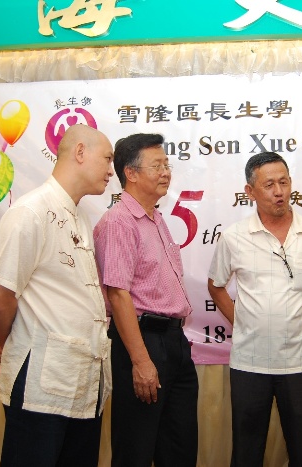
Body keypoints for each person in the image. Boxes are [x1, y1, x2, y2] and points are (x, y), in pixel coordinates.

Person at [0, 124, 114, 467]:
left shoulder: (80, 215)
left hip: (81, 382)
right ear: (80, 152)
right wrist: (11, 342)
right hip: (41, 385)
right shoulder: (30, 212)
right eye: (107, 159)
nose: (111, 170)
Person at [208, 152, 302, 467]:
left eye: (283, 182)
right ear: (250, 191)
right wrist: (243, 322)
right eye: (269, 185)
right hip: (250, 363)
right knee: (246, 454)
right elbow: (216, 286)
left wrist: (297, 321)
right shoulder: (234, 236)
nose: (279, 191)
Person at [93, 133, 198, 467]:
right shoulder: (119, 221)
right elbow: (118, 294)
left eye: (167, 164)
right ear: (131, 173)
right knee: (135, 450)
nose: (166, 172)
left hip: (174, 342)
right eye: (157, 166)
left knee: (179, 449)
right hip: (141, 343)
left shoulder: (156, 218)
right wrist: (140, 361)